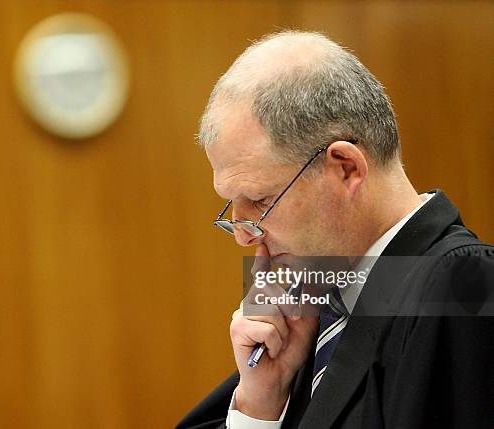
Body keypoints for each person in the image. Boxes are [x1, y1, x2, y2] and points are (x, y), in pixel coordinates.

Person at [177, 30, 493, 429]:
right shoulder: (315, 309)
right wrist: (261, 405)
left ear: (345, 167)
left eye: (259, 200)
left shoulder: (464, 285)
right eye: (231, 204)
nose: (243, 235)